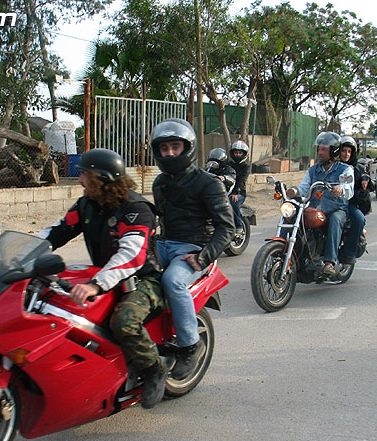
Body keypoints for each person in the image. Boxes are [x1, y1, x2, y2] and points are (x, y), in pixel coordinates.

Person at [38, 148, 168, 409]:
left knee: (124, 322)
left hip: (143, 279)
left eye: (85, 174)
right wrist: (19, 255)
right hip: (106, 277)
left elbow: (131, 256)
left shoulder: (136, 209)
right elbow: (56, 232)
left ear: (101, 179)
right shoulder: (87, 204)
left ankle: (154, 370)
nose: (79, 180)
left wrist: (95, 285)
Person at [151, 118, 234, 379]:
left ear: (187, 148)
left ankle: (190, 346)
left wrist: (203, 257)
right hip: (163, 244)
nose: (170, 153)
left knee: (173, 281)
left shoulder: (208, 183)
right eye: (164, 148)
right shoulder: (160, 183)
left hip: (193, 249)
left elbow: (227, 227)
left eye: (175, 147)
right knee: (126, 275)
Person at [292, 132, 354, 276]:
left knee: (335, 220)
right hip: (315, 208)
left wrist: (341, 189)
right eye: (319, 149)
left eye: (324, 150)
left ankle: (329, 262)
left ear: (334, 151)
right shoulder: (313, 170)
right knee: (292, 215)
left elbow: (348, 188)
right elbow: (304, 188)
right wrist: (293, 191)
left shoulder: (345, 169)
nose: (320, 153)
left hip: (336, 209)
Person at [338, 136, 370, 265]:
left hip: (349, 203)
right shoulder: (332, 165)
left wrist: (366, 181)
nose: (346, 154)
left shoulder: (357, 168)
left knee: (359, 219)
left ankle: (349, 253)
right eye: (343, 150)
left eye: (349, 151)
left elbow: (369, 182)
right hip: (329, 202)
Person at [228, 140, 251, 234]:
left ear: (244, 154)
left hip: (239, 193)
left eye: (240, 153)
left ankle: (239, 225)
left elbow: (242, 180)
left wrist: (235, 192)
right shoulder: (228, 165)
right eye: (236, 152)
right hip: (226, 191)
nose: (237, 155)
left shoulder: (246, 167)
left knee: (232, 201)